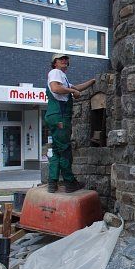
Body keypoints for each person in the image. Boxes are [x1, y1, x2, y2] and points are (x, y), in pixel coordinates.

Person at [45, 53, 96, 193]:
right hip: (60, 116)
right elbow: (55, 88)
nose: (65, 61)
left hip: (54, 116)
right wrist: (72, 91)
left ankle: (52, 183)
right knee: (65, 150)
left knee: (56, 150)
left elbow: (77, 88)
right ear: (55, 62)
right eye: (61, 59)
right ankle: (70, 182)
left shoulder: (63, 77)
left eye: (66, 59)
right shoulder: (55, 72)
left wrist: (92, 81)